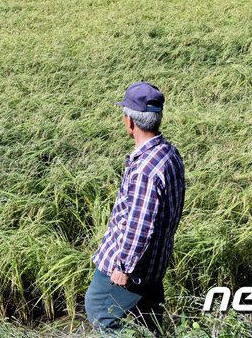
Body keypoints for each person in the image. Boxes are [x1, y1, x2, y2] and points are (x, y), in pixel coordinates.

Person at [85, 82, 186, 335]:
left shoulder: (145, 170)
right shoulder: (169, 153)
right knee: (148, 321)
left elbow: (140, 225)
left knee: (99, 310)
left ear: (130, 122)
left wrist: (124, 267)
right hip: (154, 264)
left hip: (131, 266)